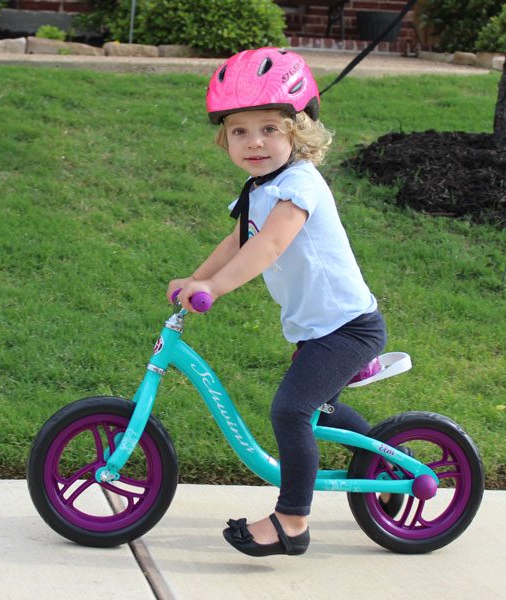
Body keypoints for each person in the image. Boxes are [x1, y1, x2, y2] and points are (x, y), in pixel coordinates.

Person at [167, 47, 396, 557]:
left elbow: (268, 244)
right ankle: (387, 460)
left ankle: (292, 521)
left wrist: (216, 289)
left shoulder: (298, 185)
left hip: (347, 328)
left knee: (291, 412)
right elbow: (238, 240)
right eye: (239, 131)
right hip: (317, 328)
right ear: (224, 137)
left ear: (298, 131)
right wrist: (196, 276)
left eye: (270, 128)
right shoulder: (257, 188)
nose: (254, 142)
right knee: (319, 409)